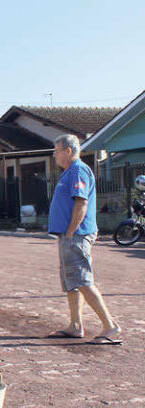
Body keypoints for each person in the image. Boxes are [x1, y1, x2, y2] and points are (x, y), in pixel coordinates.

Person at [46, 134, 121, 344]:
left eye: (57, 151)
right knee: (71, 283)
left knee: (83, 281)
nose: (54, 155)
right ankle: (75, 325)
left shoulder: (78, 170)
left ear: (68, 151)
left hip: (77, 235)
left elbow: (81, 204)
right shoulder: (68, 172)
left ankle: (110, 326)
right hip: (68, 235)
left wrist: (70, 233)